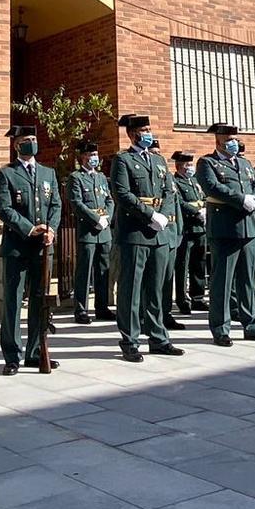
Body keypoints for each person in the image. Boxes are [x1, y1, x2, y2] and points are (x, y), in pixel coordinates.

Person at [110, 113, 180, 361]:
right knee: (131, 290)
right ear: (131, 134)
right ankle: (130, 340)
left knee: (157, 289)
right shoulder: (123, 160)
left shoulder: (159, 160)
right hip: (135, 233)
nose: (148, 133)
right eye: (144, 130)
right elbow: (122, 194)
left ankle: (159, 338)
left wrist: (163, 216)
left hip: (159, 233)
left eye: (150, 129)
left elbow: (169, 192)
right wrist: (150, 215)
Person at [0, 122, 62, 375]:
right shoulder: (6, 173)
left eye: (34, 138)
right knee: (13, 300)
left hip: (43, 247)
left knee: (39, 300)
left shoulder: (48, 173)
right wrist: (29, 228)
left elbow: (55, 204)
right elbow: (4, 209)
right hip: (18, 246)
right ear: (16, 145)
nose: (31, 143)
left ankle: (36, 351)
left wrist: (51, 229)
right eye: (26, 139)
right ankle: (12, 356)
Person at [197, 122, 255, 346]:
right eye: (228, 138)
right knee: (223, 282)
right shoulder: (207, 163)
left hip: (249, 229)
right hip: (225, 230)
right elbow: (211, 187)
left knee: (248, 280)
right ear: (218, 140)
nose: (233, 141)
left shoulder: (244, 163)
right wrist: (241, 199)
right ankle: (221, 328)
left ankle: (252, 324)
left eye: (234, 138)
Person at [67, 139, 114, 324]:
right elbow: (77, 203)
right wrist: (96, 219)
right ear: (83, 157)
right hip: (88, 231)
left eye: (96, 155)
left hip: (104, 231)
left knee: (103, 270)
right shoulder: (76, 178)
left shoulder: (101, 177)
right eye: (91, 155)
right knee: (84, 272)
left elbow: (109, 200)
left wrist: (107, 218)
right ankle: (81, 310)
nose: (94, 158)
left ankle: (102, 308)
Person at [171, 149, 208, 315]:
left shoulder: (195, 181)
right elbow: (177, 201)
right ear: (179, 166)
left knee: (199, 264)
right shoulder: (175, 182)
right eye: (187, 165)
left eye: (191, 164)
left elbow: (204, 197)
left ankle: (198, 297)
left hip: (201, 228)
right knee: (182, 266)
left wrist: (205, 210)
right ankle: (182, 299)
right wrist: (195, 212)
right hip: (186, 229)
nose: (190, 167)